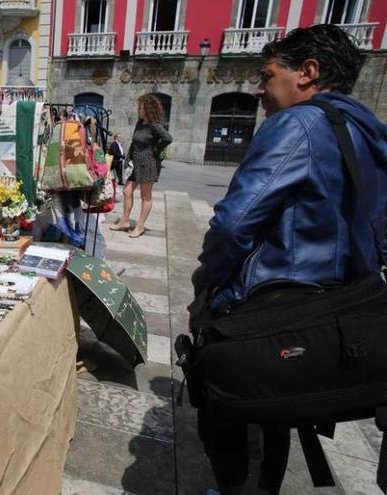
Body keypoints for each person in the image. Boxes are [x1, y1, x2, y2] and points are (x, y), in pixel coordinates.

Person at [188, 24, 387, 494]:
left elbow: (236, 224)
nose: (259, 89)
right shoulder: (364, 128)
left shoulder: (298, 124)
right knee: (279, 408)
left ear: (308, 73)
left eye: (268, 75)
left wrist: (207, 283)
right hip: (336, 308)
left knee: (235, 408)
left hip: (274, 301)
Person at [110, 94, 172, 238]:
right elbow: (134, 142)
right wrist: (129, 157)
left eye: (141, 107)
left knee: (145, 196)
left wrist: (155, 151)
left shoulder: (154, 125)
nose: (139, 109)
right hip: (135, 162)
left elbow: (168, 138)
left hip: (149, 163)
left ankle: (140, 226)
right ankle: (124, 221)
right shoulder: (140, 123)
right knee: (127, 191)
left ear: (148, 108)